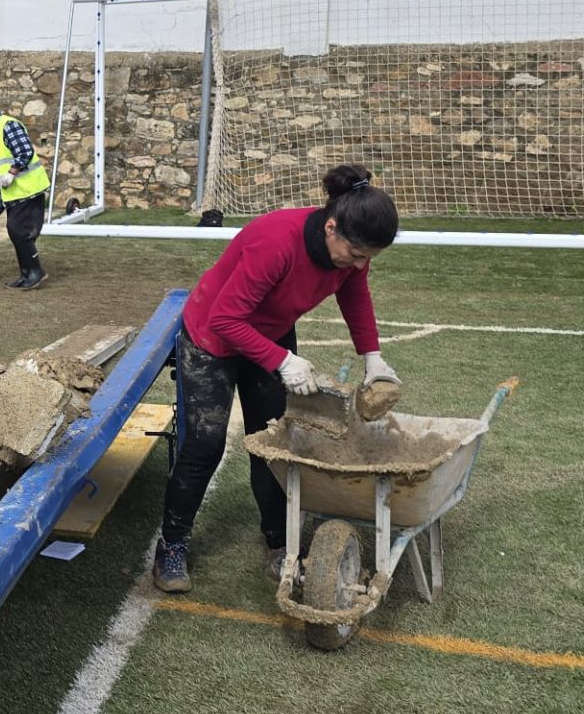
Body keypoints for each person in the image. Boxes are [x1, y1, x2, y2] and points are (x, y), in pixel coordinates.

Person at [152, 163, 402, 594]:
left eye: (368, 258)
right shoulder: (276, 242)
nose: (360, 265)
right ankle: (171, 545)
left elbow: (355, 295)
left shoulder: (350, 256)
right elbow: (225, 318)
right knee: (204, 445)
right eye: (357, 254)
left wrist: (373, 358)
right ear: (331, 229)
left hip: (269, 332)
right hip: (213, 336)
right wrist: (283, 361)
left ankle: (278, 543)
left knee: (273, 444)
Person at [0, 96, 50, 290]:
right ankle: (26, 274)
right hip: (13, 192)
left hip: (27, 188)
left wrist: (11, 172)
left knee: (18, 230)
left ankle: (35, 272)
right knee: (15, 231)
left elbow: (25, 152)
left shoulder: (8, 126)